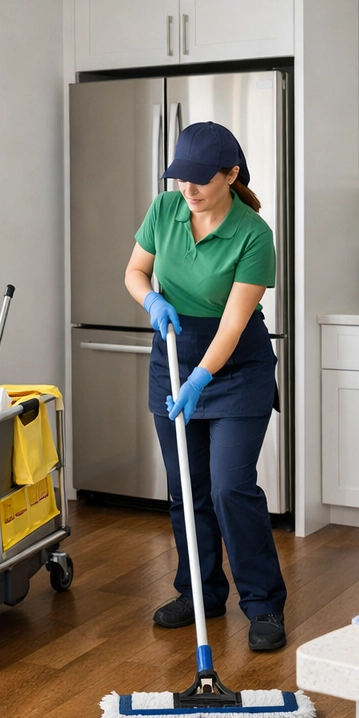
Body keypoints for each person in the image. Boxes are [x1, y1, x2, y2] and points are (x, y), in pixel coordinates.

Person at [123, 121, 289, 651]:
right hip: (173, 356)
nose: (188, 189)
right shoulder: (164, 210)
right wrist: (151, 299)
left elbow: (235, 323)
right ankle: (199, 593)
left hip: (236, 366)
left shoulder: (253, 233)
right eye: (181, 178)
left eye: (200, 179)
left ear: (231, 174)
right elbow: (135, 272)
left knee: (229, 487)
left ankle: (263, 604)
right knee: (187, 489)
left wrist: (200, 377)